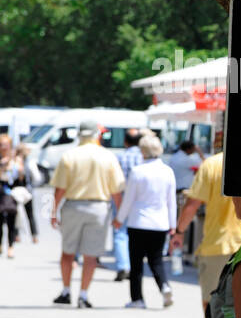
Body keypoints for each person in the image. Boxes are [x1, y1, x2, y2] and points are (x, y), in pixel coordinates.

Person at [171, 138, 241, 318]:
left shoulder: (213, 164)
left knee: (212, 304)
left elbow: (192, 204)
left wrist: (179, 232)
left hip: (218, 244)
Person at [50, 119, 124, 308]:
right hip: (99, 208)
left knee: (67, 252)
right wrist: (119, 216)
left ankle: (66, 291)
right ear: (96, 134)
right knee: (90, 255)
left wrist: (54, 211)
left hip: (73, 206)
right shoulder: (108, 156)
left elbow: (60, 188)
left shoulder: (69, 155)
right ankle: (83, 295)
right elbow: (117, 190)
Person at [114, 134, 177, 308]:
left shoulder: (138, 171)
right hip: (160, 223)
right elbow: (171, 202)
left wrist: (119, 219)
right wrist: (173, 226)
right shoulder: (167, 171)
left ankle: (137, 299)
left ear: (143, 151)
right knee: (156, 260)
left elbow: (129, 200)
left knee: (136, 264)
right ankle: (164, 286)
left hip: (138, 222)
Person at [112, 129, 144, 282]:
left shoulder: (120, 157)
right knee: (136, 233)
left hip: (122, 196)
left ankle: (123, 266)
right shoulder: (144, 156)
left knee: (120, 231)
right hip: (141, 199)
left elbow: (114, 181)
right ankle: (134, 265)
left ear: (125, 141)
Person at [0, 135, 18, 258]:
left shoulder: (15, 160)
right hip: (0, 193)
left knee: (12, 221)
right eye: (1, 144)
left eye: (6, 144)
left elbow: (20, 176)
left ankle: (10, 246)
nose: (4, 147)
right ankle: (0, 244)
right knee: (0, 221)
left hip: (12, 194)